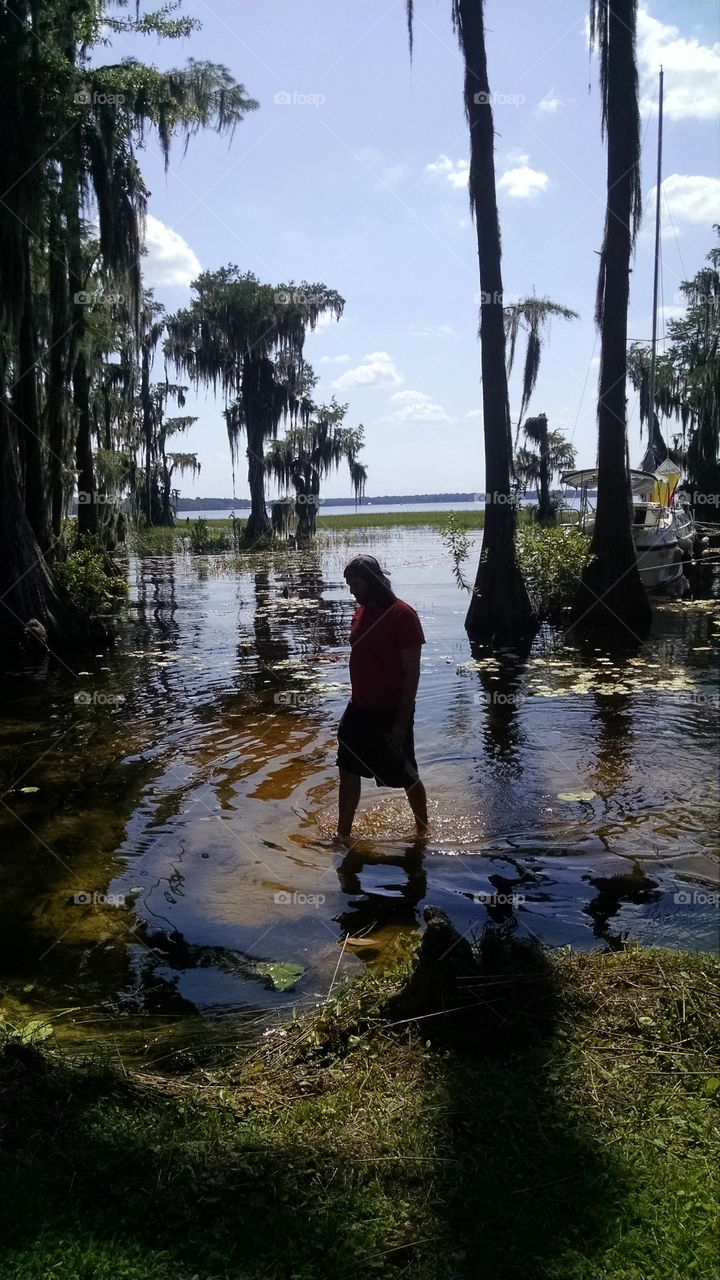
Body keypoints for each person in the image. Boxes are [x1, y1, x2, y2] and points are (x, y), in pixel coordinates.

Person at [336, 554, 428, 842]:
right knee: (347, 768)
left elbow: (411, 672)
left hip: (390, 711)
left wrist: (401, 723)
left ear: (374, 581)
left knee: (405, 773)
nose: (351, 590)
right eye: (349, 584)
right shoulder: (361, 612)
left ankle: (423, 831)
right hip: (358, 708)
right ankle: (343, 835)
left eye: (356, 584)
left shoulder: (402, 615)